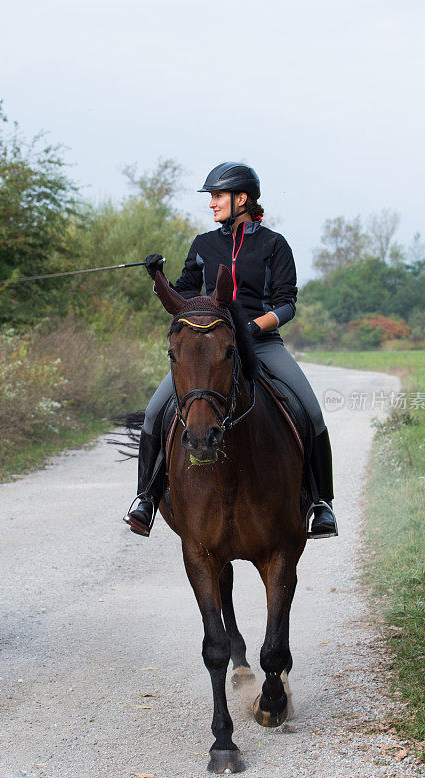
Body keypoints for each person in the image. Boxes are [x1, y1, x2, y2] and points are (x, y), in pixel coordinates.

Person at [125, 162, 337, 539]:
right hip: (209, 349)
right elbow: (183, 296)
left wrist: (252, 327)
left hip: (261, 343)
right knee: (156, 412)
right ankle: (146, 498)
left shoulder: (274, 245)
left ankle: (322, 504)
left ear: (242, 199)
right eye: (210, 197)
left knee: (311, 412)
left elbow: (287, 304)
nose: (211, 203)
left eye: (217, 196)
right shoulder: (204, 245)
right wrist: (156, 278)